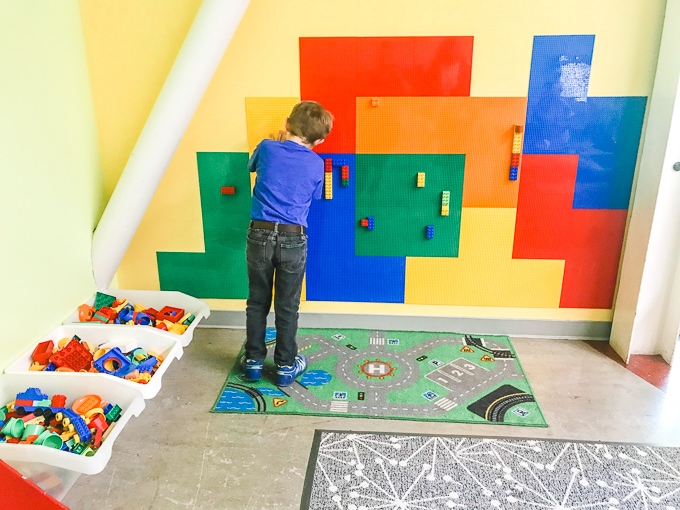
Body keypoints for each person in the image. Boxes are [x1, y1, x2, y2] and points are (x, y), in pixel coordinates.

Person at [241, 101, 333, 387]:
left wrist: (277, 142)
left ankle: (254, 361)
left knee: (257, 301)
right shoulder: (316, 162)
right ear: (319, 141)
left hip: (260, 233)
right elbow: (314, 196)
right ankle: (284, 366)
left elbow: (251, 166)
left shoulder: (267, 148)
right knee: (287, 305)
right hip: (293, 237)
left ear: (287, 123)